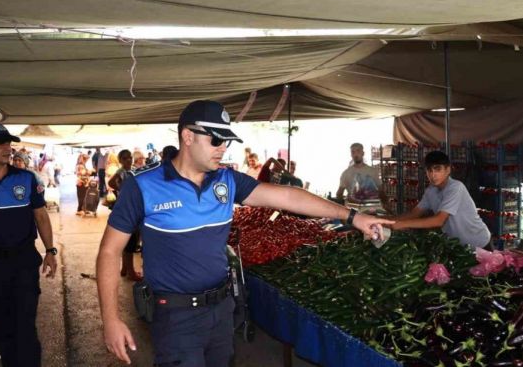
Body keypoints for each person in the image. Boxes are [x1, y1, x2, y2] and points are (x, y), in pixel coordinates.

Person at [96, 100, 391, 366]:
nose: (223, 148)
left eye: (226, 141)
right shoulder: (143, 186)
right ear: (188, 137)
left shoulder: (227, 180)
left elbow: (288, 197)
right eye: (216, 140)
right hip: (176, 318)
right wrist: (110, 319)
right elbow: (109, 251)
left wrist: (352, 216)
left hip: (222, 311)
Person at [0, 123, 57, 367]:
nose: (7, 148)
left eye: (9, 143)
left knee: (25, 323)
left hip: (23, 263)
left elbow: (41, 216)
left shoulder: (26, 179)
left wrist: (50, 250)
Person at [392, 151, 491, 248]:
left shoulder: (455, 187)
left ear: (448, 170)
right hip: (457, 246)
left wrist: (403, 224)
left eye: (437, 169)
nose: (433, 175)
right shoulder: (430, 191)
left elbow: (439, 220)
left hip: (479, 243)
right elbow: (415, 213)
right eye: (429, 170)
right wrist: (387, 221)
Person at [107, 150, 142, 282]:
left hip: (130, 208)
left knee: (127, 241)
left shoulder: (133, 171)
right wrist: (120, 187)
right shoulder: (121, 172)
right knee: (130, 242)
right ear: (121, 160)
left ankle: (125, 268)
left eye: (130, 158)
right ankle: (131, 272)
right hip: (129, 209)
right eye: (125, 158)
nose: (129, 160)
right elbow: (111, 183)